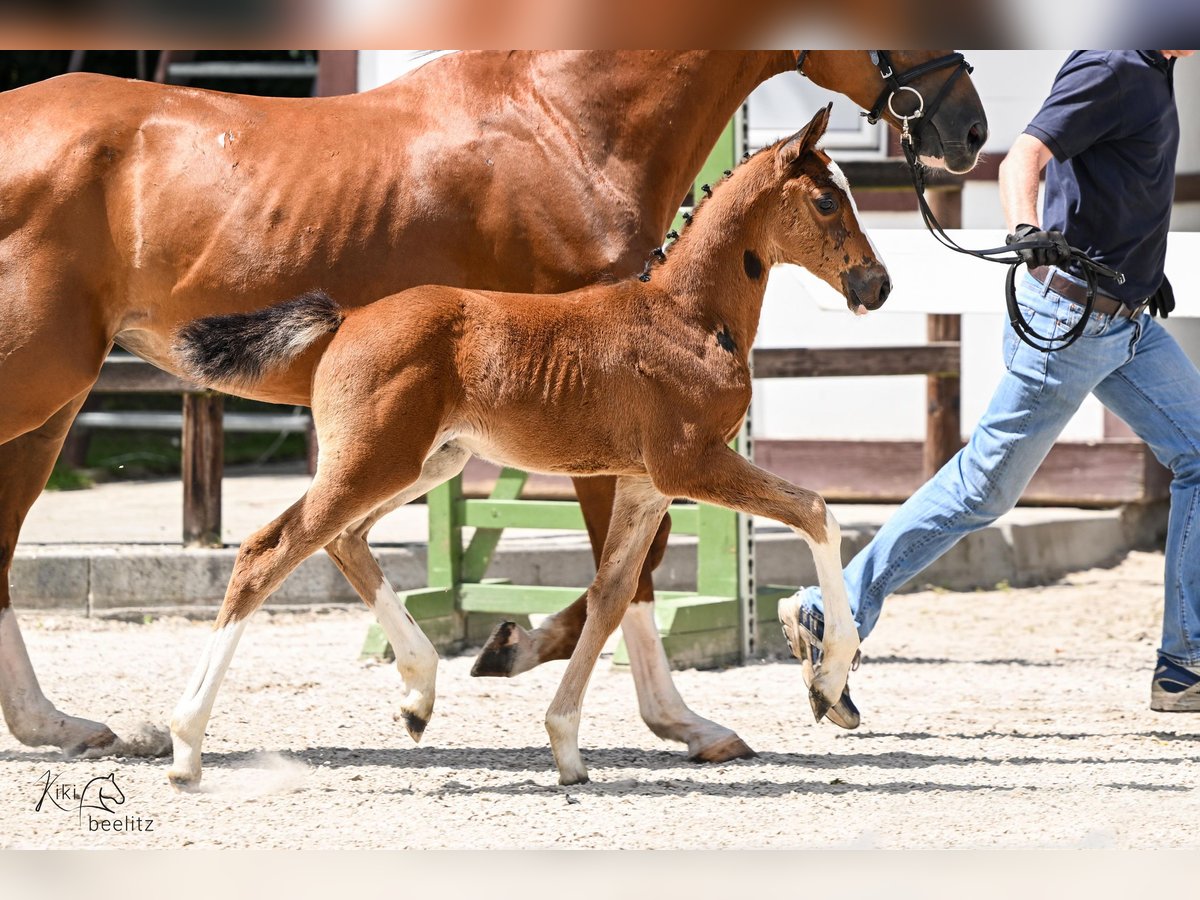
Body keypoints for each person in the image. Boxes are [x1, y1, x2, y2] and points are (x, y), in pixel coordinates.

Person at [778, 50, 1200, 727]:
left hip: (1124, 322)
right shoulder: (1113, 65)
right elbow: (1023, 158)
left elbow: (1113, 177)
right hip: (1074, 322)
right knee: (981, 489)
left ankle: (1185, 667)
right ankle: (830, 607)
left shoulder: (1153, 66)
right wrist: (1026, 230)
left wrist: (1142, 264)